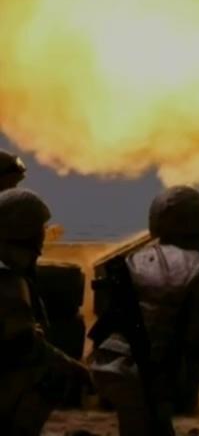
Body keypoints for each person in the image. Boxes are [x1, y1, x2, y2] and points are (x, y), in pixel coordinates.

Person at [89, 185, 199, 435]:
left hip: (109, 365)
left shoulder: (130, 261)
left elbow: (105, 318)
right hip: (147, 373)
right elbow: (198, 335)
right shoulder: (197, 267)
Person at [0, 187, 92, 436]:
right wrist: (74, 368)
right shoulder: (7, 281)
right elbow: (26, 345)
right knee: (53, 373)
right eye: (32, 246)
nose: (37, 254)